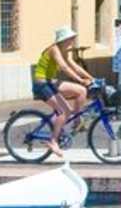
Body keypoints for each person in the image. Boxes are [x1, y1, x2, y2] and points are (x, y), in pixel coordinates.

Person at [33, 26, 94, 158]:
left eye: (73, 38)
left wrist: (91, 78)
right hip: (41, 84)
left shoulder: (64, 50)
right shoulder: (54, 49)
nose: (72, 41)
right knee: (64, 111)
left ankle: (77, 122)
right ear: (63, 39)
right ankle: (53, 141)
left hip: (51, 82)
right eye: (70, 38)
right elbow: (64, 67)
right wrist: (80, 79)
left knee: (81, 91)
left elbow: (74, 66)